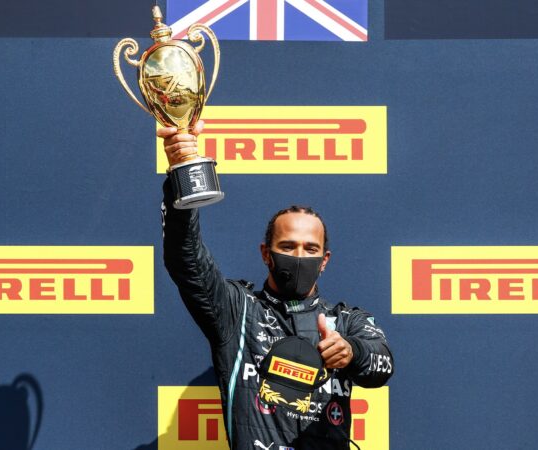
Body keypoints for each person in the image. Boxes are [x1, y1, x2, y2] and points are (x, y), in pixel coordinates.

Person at [159, 122, 394, 450]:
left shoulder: (347, 322)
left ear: (324, 260)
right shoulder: (237, 311)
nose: (299, 256)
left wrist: (352, 352)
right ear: (266, 253)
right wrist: (182, 173)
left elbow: (382, 365)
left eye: (310, 249)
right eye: (288, 246)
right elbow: (186, 261)